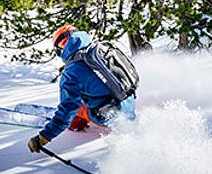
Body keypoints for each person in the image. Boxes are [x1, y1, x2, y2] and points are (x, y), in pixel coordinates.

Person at [27, 25, 136, 153]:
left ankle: (77, 127)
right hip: (129, 107)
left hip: (110, 119)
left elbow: (67, 110)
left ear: (60, 49)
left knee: (74, 107)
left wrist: (43, 137)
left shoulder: (70, 72)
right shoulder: (102, 49)